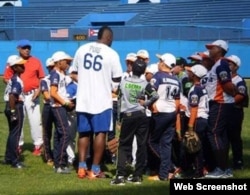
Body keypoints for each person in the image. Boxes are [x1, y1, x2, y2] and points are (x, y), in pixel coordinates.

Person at [69, 26, 123, 179]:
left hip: (83, 99)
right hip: (101, 100)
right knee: (100, 133)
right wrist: (111, 86)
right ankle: (95, 169)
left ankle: (81, 167)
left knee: (84, 133)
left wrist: (87, 81)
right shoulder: (111, 53)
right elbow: (117, 78)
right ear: (109, 38)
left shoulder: (82, 49)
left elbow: (73, 72)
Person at [110, 59, 159, 185]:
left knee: (124, 145)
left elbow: (120, 100)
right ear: (143, 71)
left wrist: (119, 119)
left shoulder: (124, 82)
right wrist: (146, 103)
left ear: (132, 69)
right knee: (141, 145)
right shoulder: (144, 83)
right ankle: (137, 175)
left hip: (128, 115)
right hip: (142, 115)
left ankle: (120, 176)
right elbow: (155, 95)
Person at [3, 39, 45, 156]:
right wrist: (14, 87)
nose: (27, 50)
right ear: (18, 49)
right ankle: (18, 145)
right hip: (19, 96)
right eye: (24, 48)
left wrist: (39, 90)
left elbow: (41, 77)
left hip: (32, 94)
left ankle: (38, 145)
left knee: (35, 121)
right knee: (19, 120)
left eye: (28, 48)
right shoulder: (14, 62)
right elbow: (6, 78)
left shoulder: (36, 61)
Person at [203, 40, 237, 178]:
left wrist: (233, 92)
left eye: (212, 48)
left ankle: (221, 169)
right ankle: (224, 168)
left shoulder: (221, 64)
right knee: (218, 135)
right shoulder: (217, 65)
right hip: (218, 103)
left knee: (214, 133)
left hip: (220, 102)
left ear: (220, 49)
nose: (210, 50)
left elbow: (227, 84)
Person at [147, 53, 181, 181]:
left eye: (160, 60)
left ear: (163, 63)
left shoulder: (158, 76)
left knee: (151, 142)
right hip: (172, 112)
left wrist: (151, 106)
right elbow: (177, 101)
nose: (158, 62)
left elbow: (150, 92)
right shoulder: (176, 80)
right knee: (166, 143)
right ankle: (164, 174)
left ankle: (169, 166)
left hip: (160, 113)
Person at [179, 64, 209, 179]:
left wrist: (190, 126)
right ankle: (196, 171)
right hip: (203, 119)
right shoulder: (201, 87)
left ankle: (198, 173)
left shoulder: (195, 89)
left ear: (195, 75)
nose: (188, 73)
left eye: (191, 72)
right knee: (196, 147)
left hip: (197, 120)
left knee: (194, 147)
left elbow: (195, 109)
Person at [50, 51, 75, 174]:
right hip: (58, 107)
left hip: (61, 106)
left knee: (60, 135)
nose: (68, 64)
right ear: (59, 62)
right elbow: (53, 93)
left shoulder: (61, 74)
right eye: (66, 62)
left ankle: (59, 163)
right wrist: (65, 103)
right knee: (65, 134)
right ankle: (59, 164)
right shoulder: (55, 74)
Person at [226, 55, 249, 170]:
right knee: (223, 137)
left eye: (230, 64)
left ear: (236, 66)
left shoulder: (239, 80)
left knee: (234, 137)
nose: (228, 65)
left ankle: (238, 161)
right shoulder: (225, 78)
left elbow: (241, 95)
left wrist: (228, 103)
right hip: (225, 111)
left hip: (235, 112)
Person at [3, 55, 26, 168]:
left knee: (12, 133)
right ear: (15, 67)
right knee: (16, 134)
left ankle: (8, 157)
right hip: (15, 106)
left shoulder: (13, 79)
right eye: (20, 65)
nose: (23, 66)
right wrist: (13, 112)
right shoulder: (17, 80)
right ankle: (14, 161)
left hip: (10, 106)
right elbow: (12, 96)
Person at [40, 57, 55, 166]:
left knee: (60, 132)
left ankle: (58, 154)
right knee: (47, 132)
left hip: (58, 106)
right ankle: (48, 156)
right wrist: (60, 98)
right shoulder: (45, 80)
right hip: (48, 107)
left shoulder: (63, 78)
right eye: (51, 67)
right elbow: (46, 95)